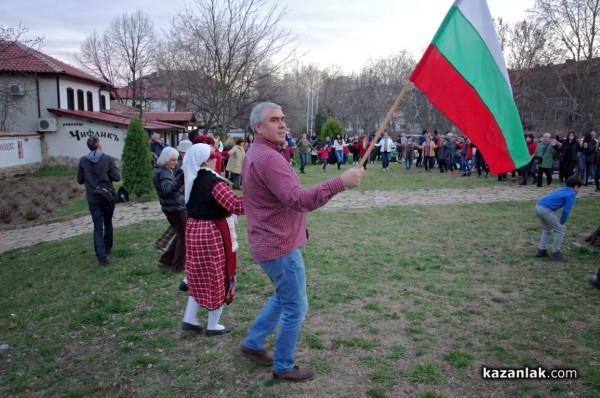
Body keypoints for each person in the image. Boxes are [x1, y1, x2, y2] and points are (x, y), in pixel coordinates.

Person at [239, 102, 364, 382]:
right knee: (295, 306)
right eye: (274, 120)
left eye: (283, 119)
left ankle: (253, 343)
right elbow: (298, 199)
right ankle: (283, 366)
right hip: (279, 247)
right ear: (258, 127)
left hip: (268, 243)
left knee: (283, 297)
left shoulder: (259, 152)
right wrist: (340, 182)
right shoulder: (268, 158)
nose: (282, 124)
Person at [181, 143, 244, 336]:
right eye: (212, 156)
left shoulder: (192, 179)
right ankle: (213, 325)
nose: (216, 158)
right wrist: (259, 199)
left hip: (194, 230)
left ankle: (190, 318)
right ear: (205, 161)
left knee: (198, 274)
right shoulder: (212, 182)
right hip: (212, 232)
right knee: (218, 275)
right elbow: (234, 204)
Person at [77, 137, 121, 266]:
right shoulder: (107, 159)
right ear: (99, 146)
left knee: (97, 226)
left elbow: (80, 180)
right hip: (107, 196)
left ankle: (101, 256)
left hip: (93, 197)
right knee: (107, 222)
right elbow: (117, 177)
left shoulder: (83, 161)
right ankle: (107, 248)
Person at [152, 147, 186, 272]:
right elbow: (168, 190)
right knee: (183, 237)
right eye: (172, 160)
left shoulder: (162, 171)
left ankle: (166, 261)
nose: (175, 163)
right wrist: (181, 179)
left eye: (176, 160)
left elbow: (169, 182)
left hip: (171, 208)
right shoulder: (163, 173)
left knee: (180, 235)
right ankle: (178, 266)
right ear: (166, 159)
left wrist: (177, 174)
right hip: (175, 209)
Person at [534, 175, 582, 262]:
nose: (579, 190)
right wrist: (562, 223)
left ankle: (542, 250)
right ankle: (555, 253)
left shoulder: (563, 189)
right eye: (579, 188)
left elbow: (552, 200)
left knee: (547, 229)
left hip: (538, 206)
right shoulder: (572, 193)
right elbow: (566, 210)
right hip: (545, 209)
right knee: (560, 230)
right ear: (576, 186)